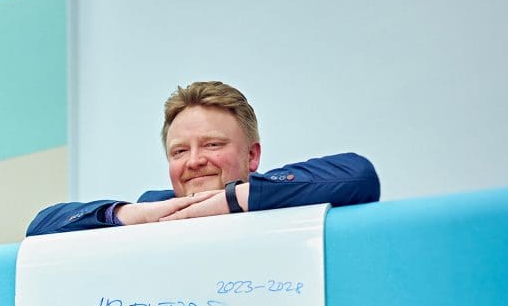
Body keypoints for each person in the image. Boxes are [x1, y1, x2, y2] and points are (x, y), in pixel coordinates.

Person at [27, 81, 380, 236]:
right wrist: (127, 214)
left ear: (252, 155)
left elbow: (359, 175)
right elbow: (41, 226)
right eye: (180, 151)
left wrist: (231, 201)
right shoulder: (154, 210)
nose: (194, 161)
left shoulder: (277, 199)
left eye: (212, 145)